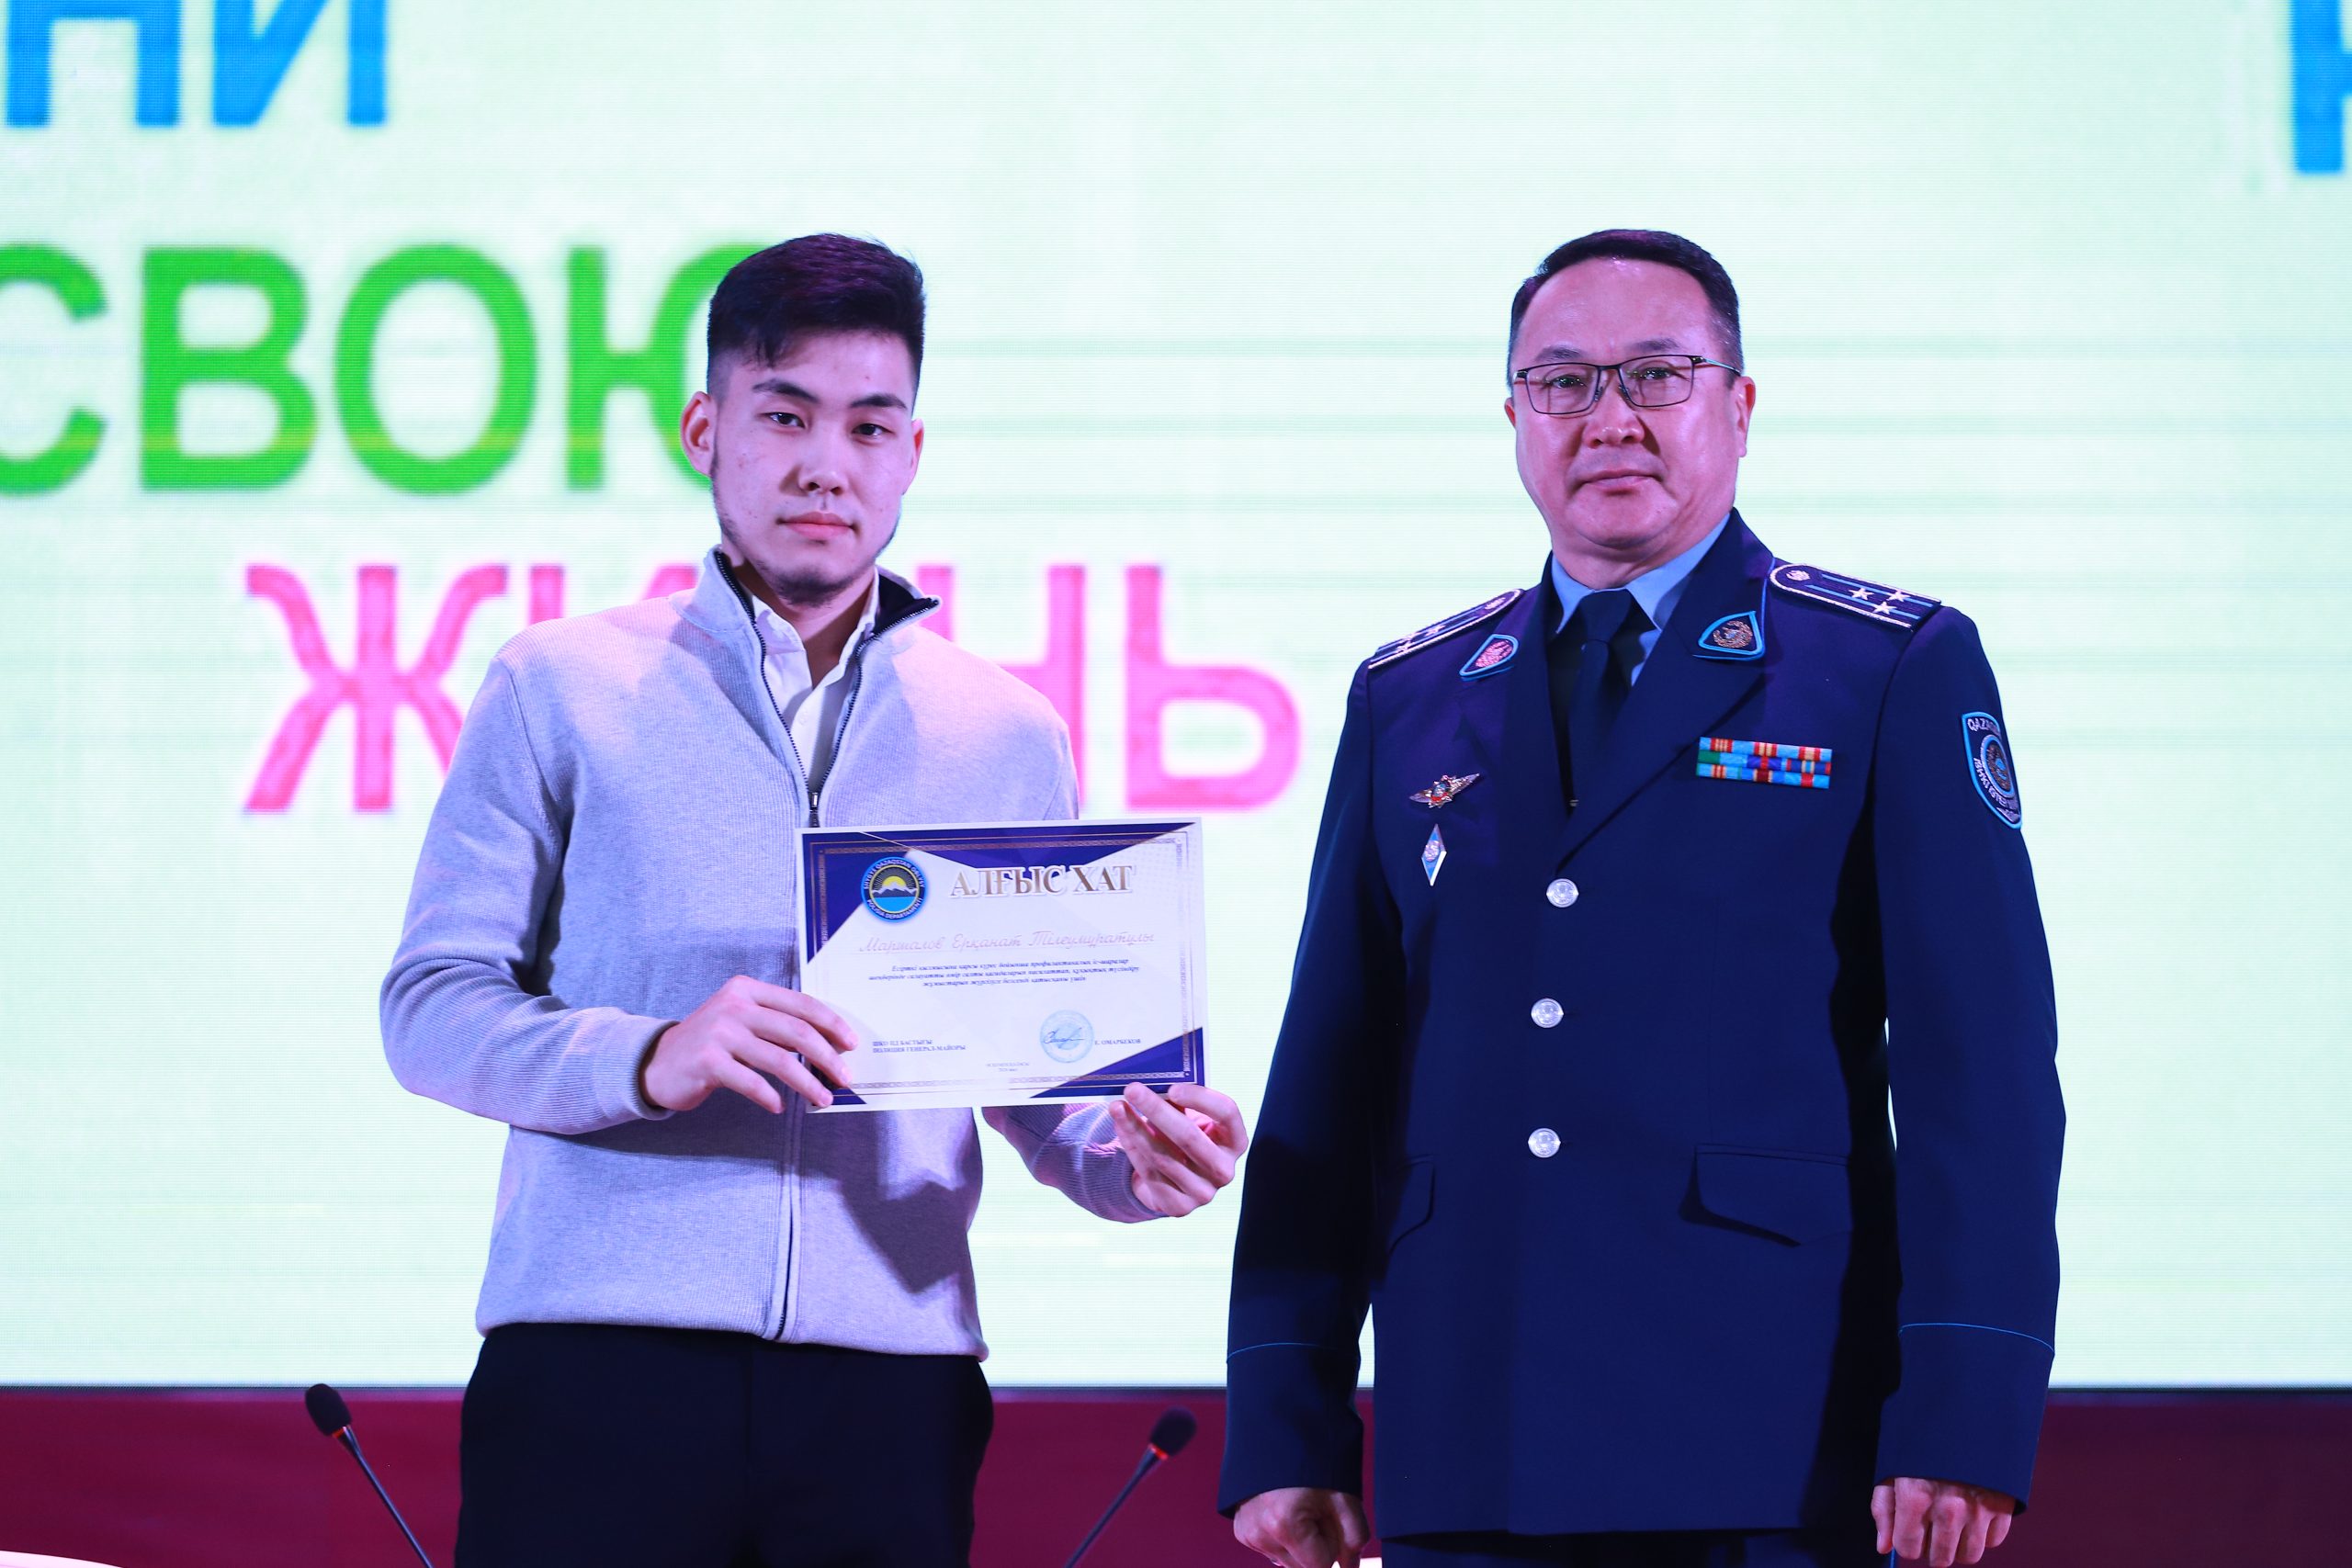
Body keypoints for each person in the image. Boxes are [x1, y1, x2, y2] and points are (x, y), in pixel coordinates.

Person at [380, 233, 1249, 1568]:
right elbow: (432, 1011)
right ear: (704, 429)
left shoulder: (1004, 731)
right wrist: (651, 1056)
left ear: (913, 451)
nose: (825, 464)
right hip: (597, 1365)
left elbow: (1032, 1075)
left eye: (869, 425)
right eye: (784, 416)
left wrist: (1126, 1157)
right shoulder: (558, 686)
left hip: (889, 1390)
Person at [1220, 231, 2063, 1568]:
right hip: (1471, 1437)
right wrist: (1284, 1418)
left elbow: (1984, 1075)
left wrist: (1965, 1407)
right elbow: (1334, 1077)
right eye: (1561, 382)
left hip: (1765, 1431)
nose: (1608, 418)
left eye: (1657, 375)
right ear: (1513, 417)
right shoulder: (1411, 696)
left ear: (1739, 405)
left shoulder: (1883, 669)